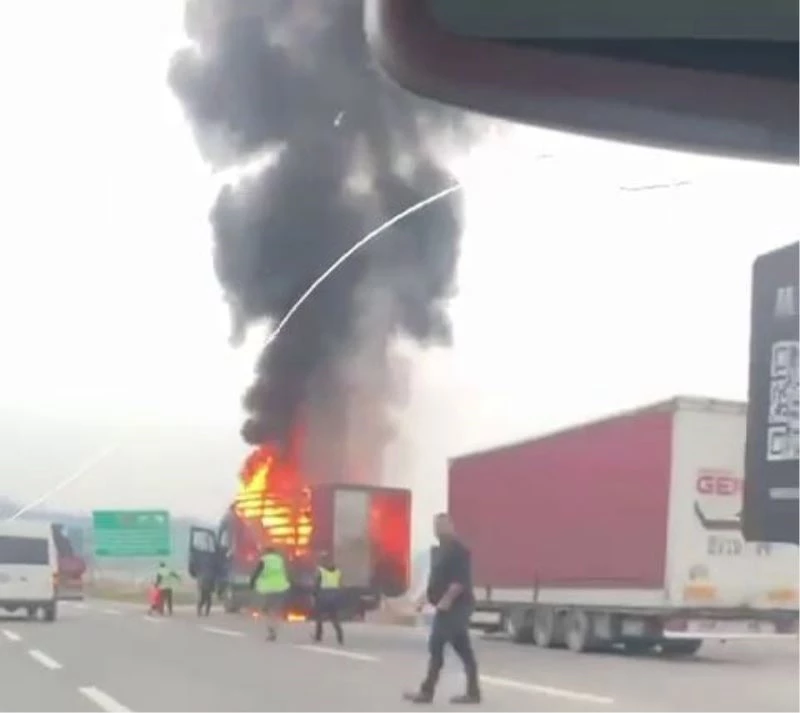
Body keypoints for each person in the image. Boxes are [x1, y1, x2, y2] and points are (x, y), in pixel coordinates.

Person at [404, 513, 481, 705]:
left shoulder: (459, 551)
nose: (438, 529)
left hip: (458, 606)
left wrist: (446, 600)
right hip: (445, 606)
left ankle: (427, 691)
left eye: (442, 525)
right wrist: (423, 599)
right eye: (436, 525)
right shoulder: (439, 551)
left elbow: (459, 581)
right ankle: (473, 692)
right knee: (463, 648)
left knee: (436, 644)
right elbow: (436, 580)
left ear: (451, 526)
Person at [250, 545, 290, 641]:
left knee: (266, 610)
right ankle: (275, 627)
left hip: (268, 588)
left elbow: (257, 572)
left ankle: (271, 630)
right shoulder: (280, 560)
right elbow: (285, 572)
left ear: (266, 552)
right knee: (276, 610)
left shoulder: (264, 560)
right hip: (281, 587)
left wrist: (252, 583)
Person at [312, 551, 344, 645]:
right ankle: (340, 635)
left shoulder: (320, 570)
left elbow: (316, 583)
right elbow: (341, 584)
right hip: (335, 595)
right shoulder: (338, 571)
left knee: (319, 616)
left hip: (323, 595)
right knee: (334, 617)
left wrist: (314, 595)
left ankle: (318, 636)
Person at [196, 549, 220, 617]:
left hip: (207, 588)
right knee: (204, 601)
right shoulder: (206, 574)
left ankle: (204, 612)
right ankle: (201, 611)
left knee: (207, 601)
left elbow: (212, 581)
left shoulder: (208, 573)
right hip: (205, 588)